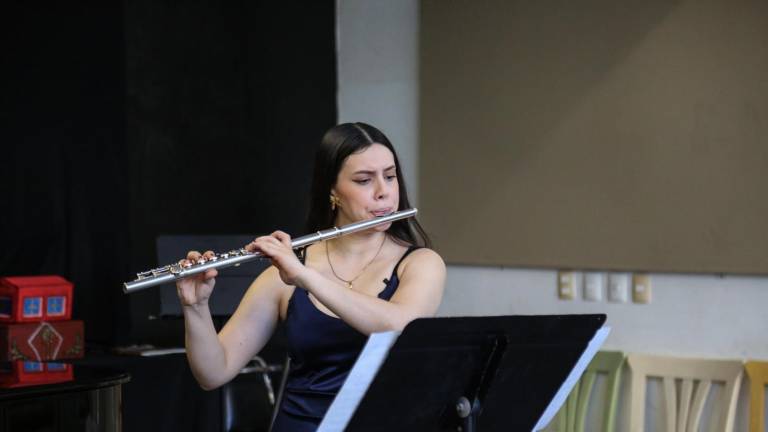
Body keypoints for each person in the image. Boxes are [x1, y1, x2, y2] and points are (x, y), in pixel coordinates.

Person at [176, 122, 446, 431]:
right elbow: (213, 373)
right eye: (364, 180)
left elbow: (400, 326)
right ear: (332, 191)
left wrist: (306, 277)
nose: (383, 192)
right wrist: (195, 307)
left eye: (390, 176)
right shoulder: (285, 274)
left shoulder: (421, 263)